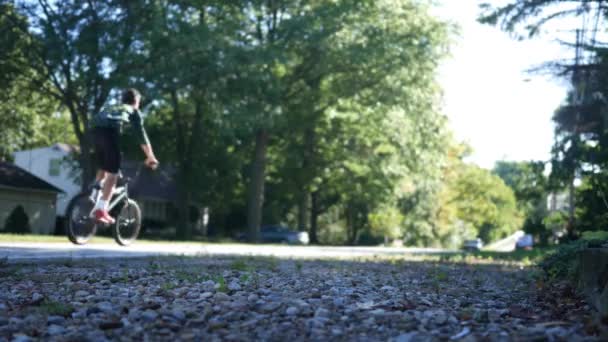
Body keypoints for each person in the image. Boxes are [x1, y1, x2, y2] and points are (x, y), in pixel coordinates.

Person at [90, 88, 159, 224]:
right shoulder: (133, 110)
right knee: (113, 175)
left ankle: (93, 195)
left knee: (103, 167)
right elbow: (142, 136)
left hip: (94, 132)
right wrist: (151, 156)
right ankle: (101, 209)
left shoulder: (111, 106)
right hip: (109, 133)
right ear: (136, 101)